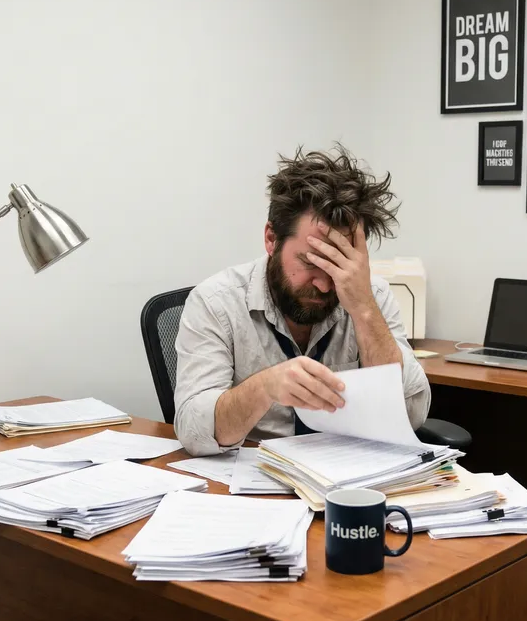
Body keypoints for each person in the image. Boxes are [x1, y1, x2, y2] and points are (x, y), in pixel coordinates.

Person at [173, 145, 431, 456]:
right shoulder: (215, 303)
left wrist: (364, 311)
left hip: (347, 478)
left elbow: (412, 415)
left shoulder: (370, 298)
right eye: (310, 262)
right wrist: (266, 386)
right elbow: (192, 430)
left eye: (336, 265)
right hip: (251, 483)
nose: (324, 284)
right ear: (271, 239)